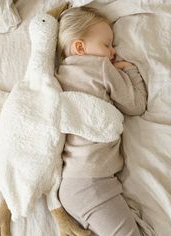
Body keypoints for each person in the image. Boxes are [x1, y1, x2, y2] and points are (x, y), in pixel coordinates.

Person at [55, 6, 147, 236]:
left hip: (77, 183)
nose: (113, 52)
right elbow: (136, 105)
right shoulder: (101, 67)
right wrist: (131, 70)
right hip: (92, 183)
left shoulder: (56, 77)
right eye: (106, 44)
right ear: (79, 47)